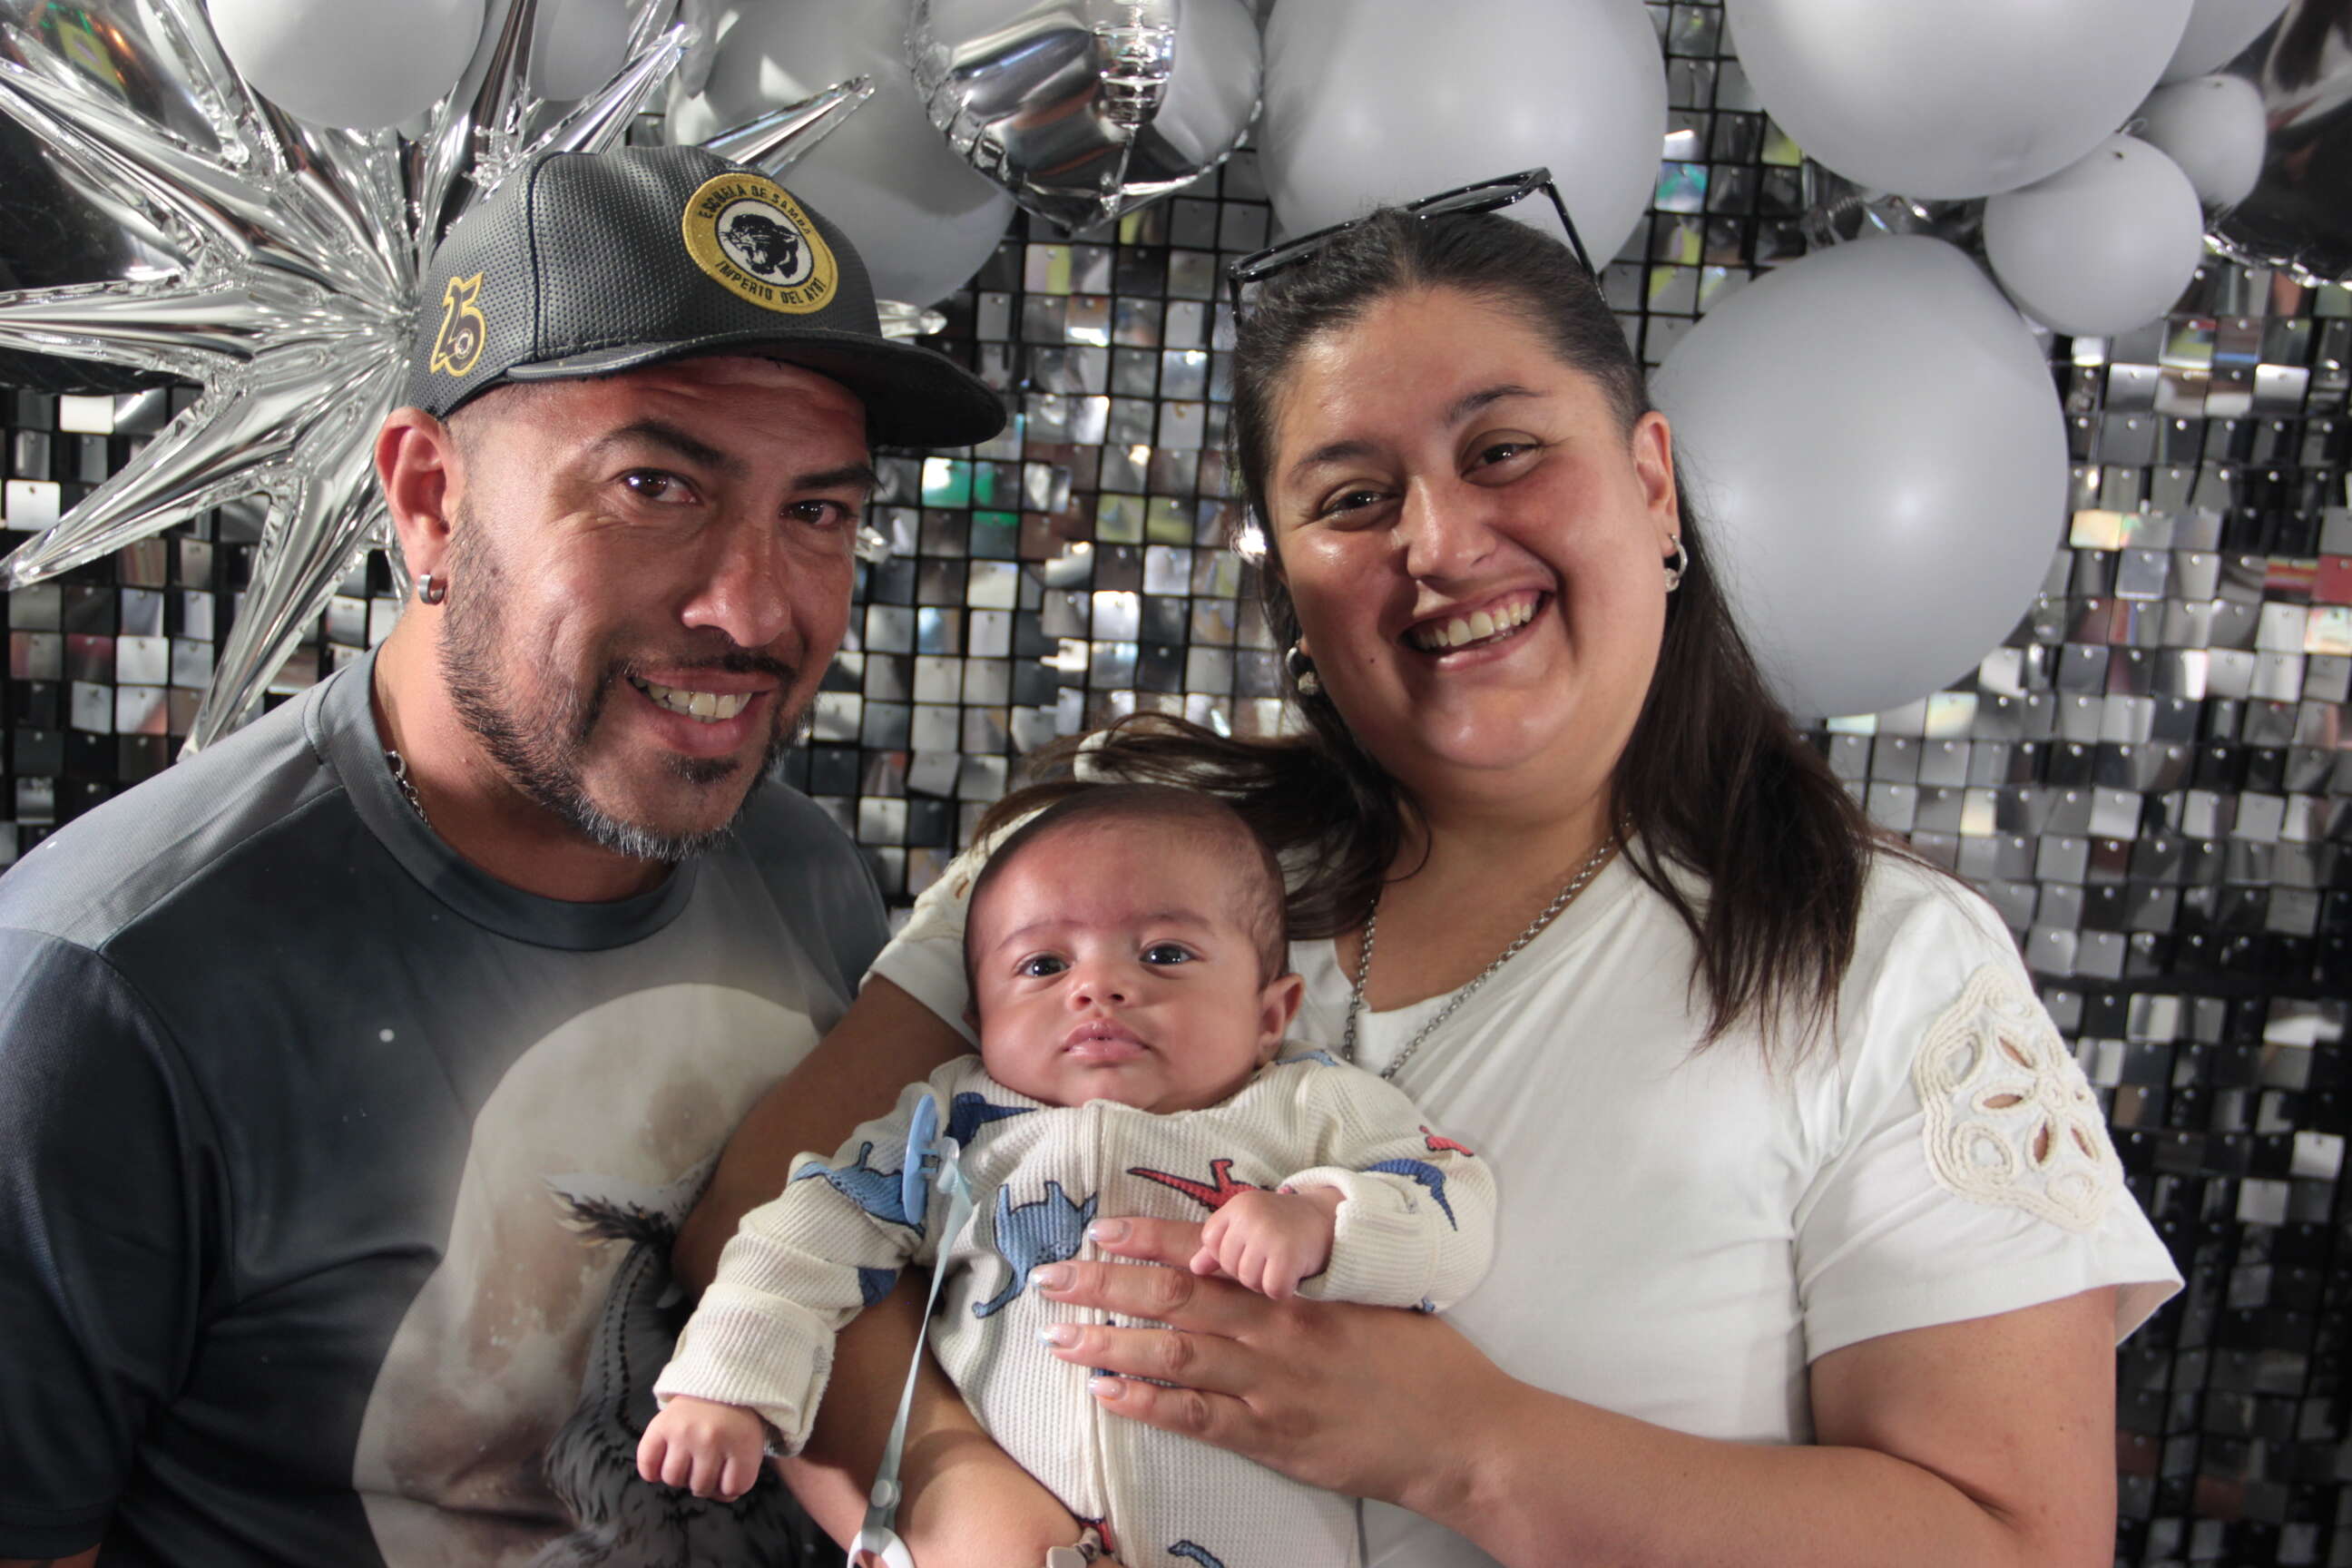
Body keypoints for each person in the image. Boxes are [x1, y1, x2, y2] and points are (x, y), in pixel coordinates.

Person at [677, 172, 2184, 1568]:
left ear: (1652, 485)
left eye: (1504, 451)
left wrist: (1470, 1449)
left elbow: (2019, 1543)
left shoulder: (1883, 960)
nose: (1443, 542)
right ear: (1286, 576)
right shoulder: (1109, 871)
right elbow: (769, 1208)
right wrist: (949, 1492)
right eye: (1352, 497)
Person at [0, 143, 1004, 1568]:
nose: (753, 608)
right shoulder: (105, 989)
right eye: (655, 485)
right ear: (429, 497)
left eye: (818, 513)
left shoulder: (801, 869)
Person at [639, 785, 1495, 1567]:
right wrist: (728, 1383)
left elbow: (1450, 1195)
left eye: (1164, 953)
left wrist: (1323, 1221)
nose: (1099, 987)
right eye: (1044, 966)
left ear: (1271, 1014)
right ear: (980, 1019)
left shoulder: (1305, 1104)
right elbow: (805, 1228)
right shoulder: (955, 1123)